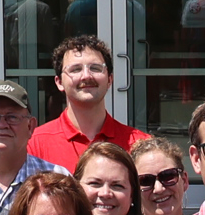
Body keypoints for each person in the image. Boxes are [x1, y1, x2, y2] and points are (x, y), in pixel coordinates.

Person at [26, 32, 152, 176]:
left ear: (110, 79)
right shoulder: (34, 144)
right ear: (59, 82)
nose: (86, 76)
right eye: (76, 69)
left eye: (95, 68)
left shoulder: (139, 144)